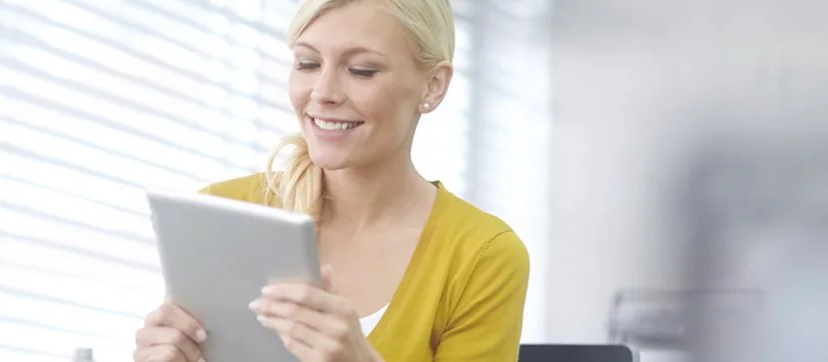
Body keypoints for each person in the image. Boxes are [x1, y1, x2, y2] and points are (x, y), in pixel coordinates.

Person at [132, 0, 530, 361]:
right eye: (307, 64)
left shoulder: (481, 256)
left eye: (361, 70)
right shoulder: (223, 213)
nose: (322, 93)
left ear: (433, 85)